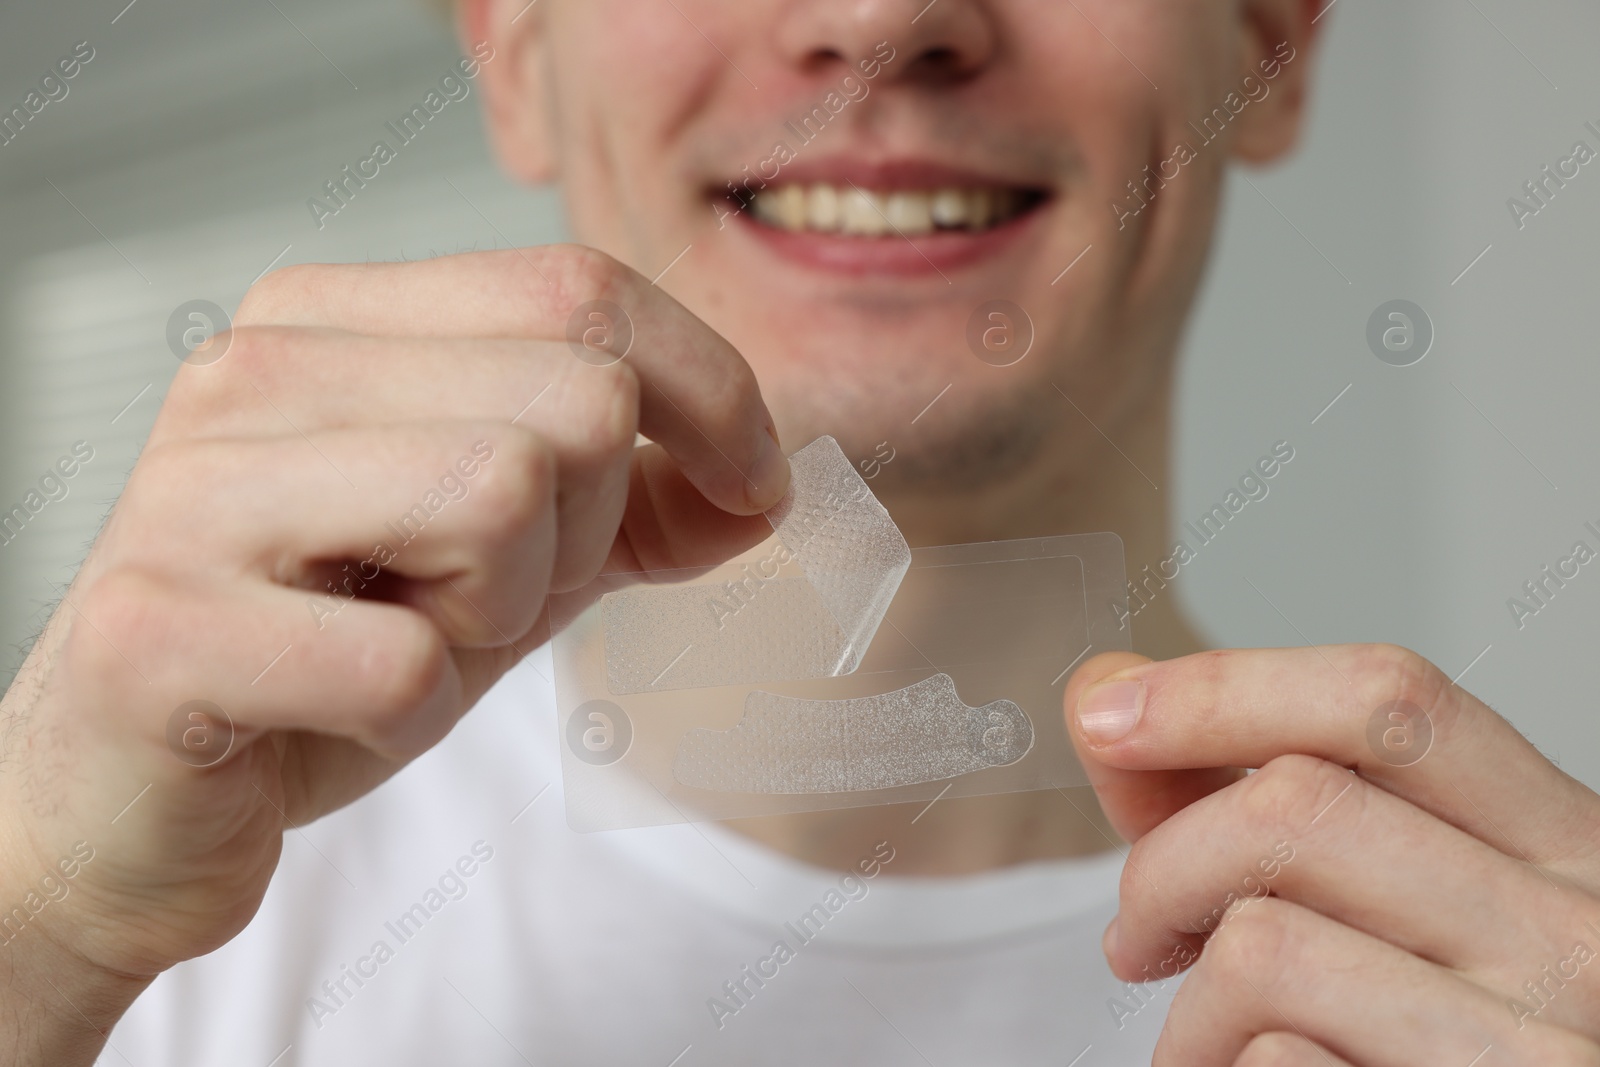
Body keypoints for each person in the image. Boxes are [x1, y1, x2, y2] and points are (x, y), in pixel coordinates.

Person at [3, 0, 1598, 1062]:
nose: (885, 16)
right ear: (507, 43)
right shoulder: (137, 941)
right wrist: (36, 925)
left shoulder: (1513, 977)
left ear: (1275, 39)